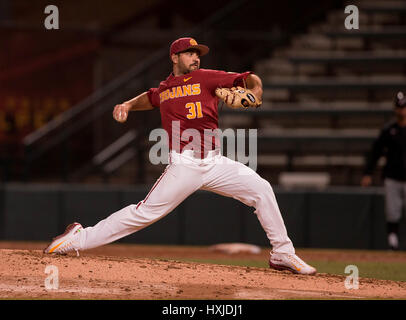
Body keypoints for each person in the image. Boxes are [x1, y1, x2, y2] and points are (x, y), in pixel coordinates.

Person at [44, 37, 317, 275]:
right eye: (190, 53)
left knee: (262, 189)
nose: (196, 57)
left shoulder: (208, 77)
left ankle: (282, 252)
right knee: (144, 214)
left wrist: (255, 92)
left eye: (198, 53)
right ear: (174, 57)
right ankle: (78, 238)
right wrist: (127, 104)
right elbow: (150, 97)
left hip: (215, 162)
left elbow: (250, 77)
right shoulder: (165, 88)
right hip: (184, 165)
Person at [361, 91, 406, 250]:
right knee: (392, 211)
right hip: (392, 177)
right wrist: (368, 173)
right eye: (399, 107)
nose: (401, 110)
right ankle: (392, 243)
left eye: (404, 107)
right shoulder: (389, 130)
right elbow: (376, 153)